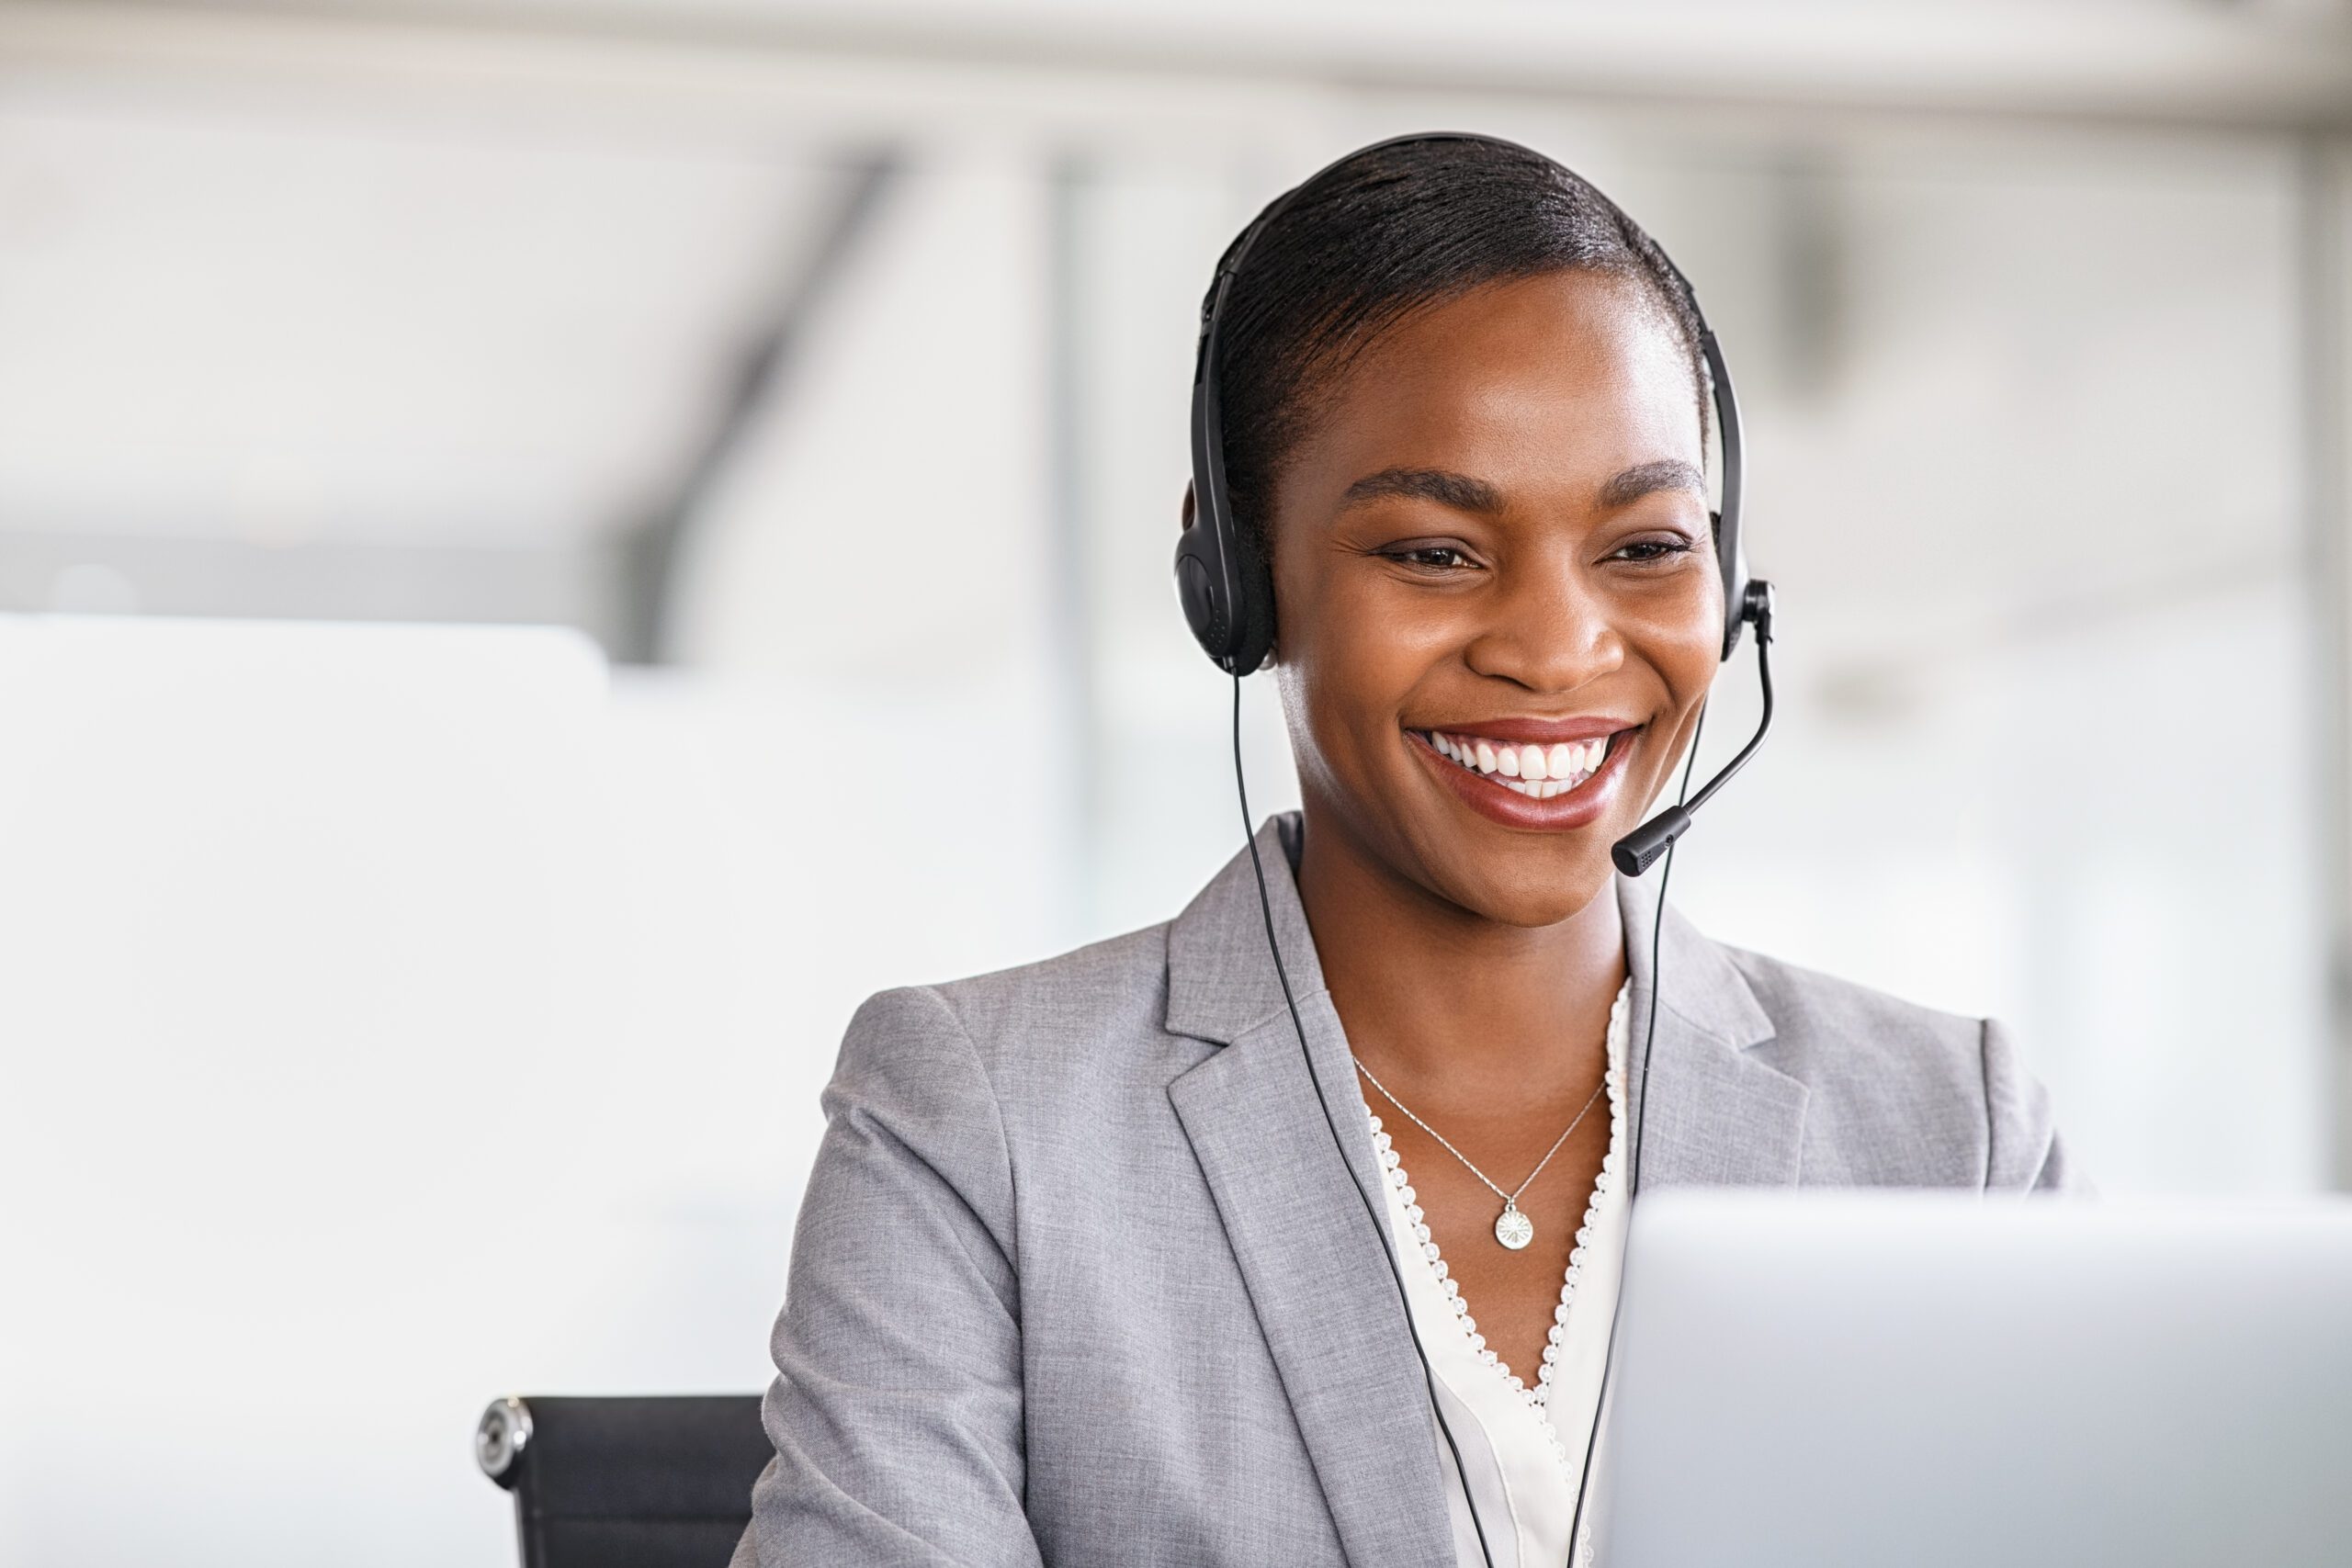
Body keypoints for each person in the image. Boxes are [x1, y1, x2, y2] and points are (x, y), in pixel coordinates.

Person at [729, 133, 2078, 1568]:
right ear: (1239, 585)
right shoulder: (982, 1123)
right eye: (1437, 552)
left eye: (1645, 547)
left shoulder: (1952, 1133)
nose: (1559, 653)